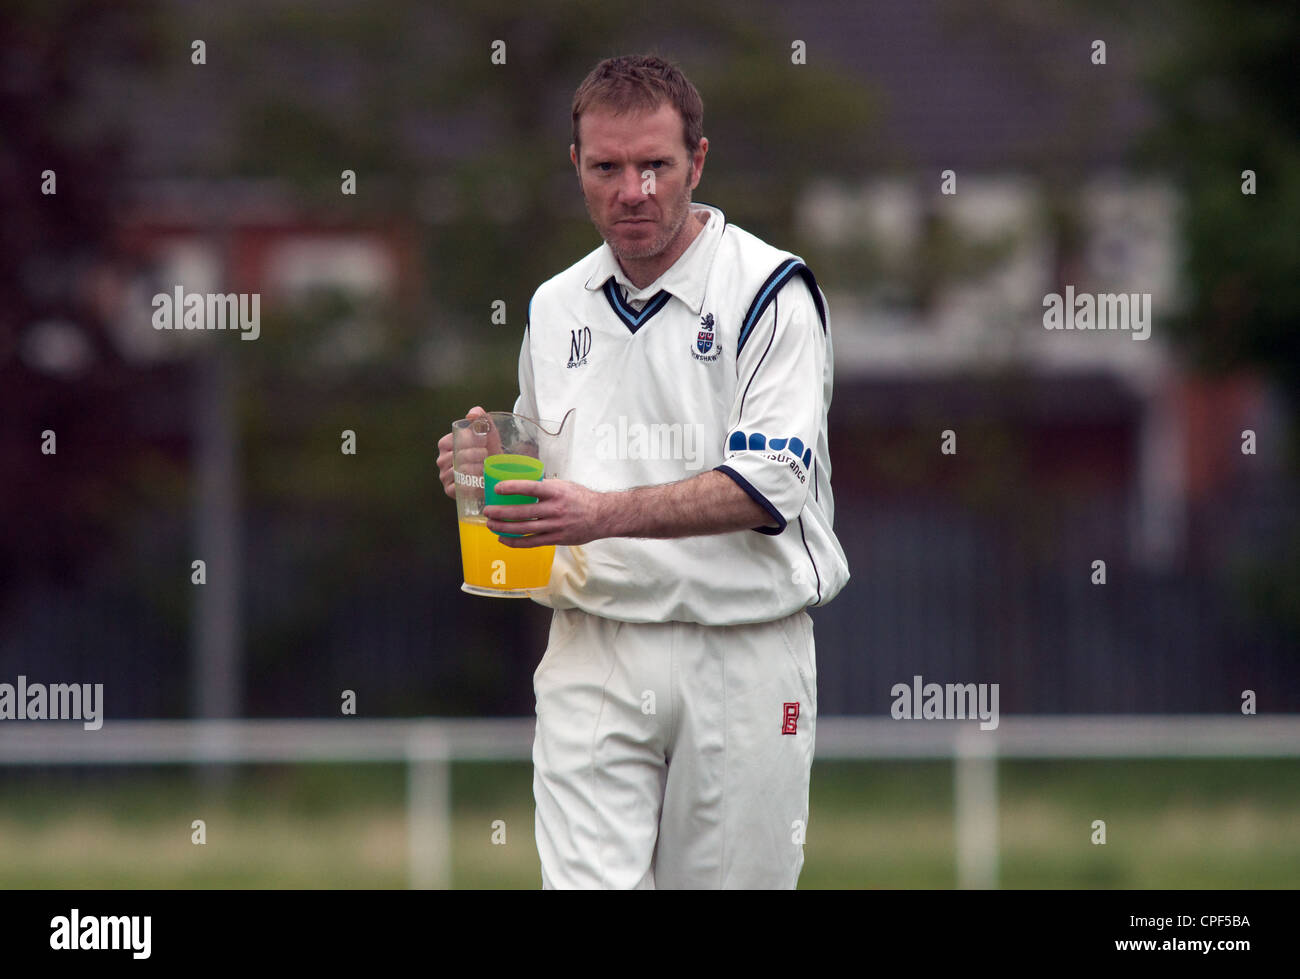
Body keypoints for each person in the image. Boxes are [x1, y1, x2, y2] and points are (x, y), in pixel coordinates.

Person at [437, 53, 849, 888]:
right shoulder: (554, 307)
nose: (634, 190)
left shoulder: (770, 290)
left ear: (697, 162)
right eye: (608, 167)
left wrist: (598, 514)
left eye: (656, 165)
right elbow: (543, 472)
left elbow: (770, 485)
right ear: (578, 168)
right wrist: (479, 469)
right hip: (593, 642)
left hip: (741, 644)